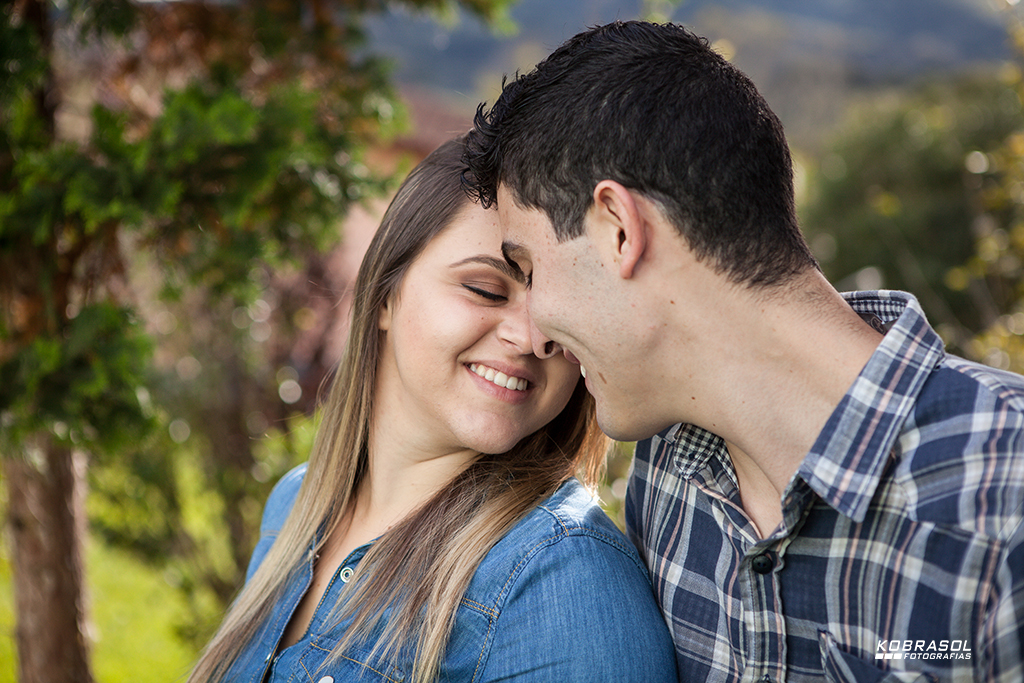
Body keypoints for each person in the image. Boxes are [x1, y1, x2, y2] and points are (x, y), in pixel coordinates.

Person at [462, 20, 1024, 683]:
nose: (535, 335)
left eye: (528, 269)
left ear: (619, 230)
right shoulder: (668, 480)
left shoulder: (1002, 503)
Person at [186, 137, 677, 683]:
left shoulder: (563, 579)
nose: (532, 337)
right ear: (384, 296)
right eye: (487, 290)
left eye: (562, 309)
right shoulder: (294, 506)